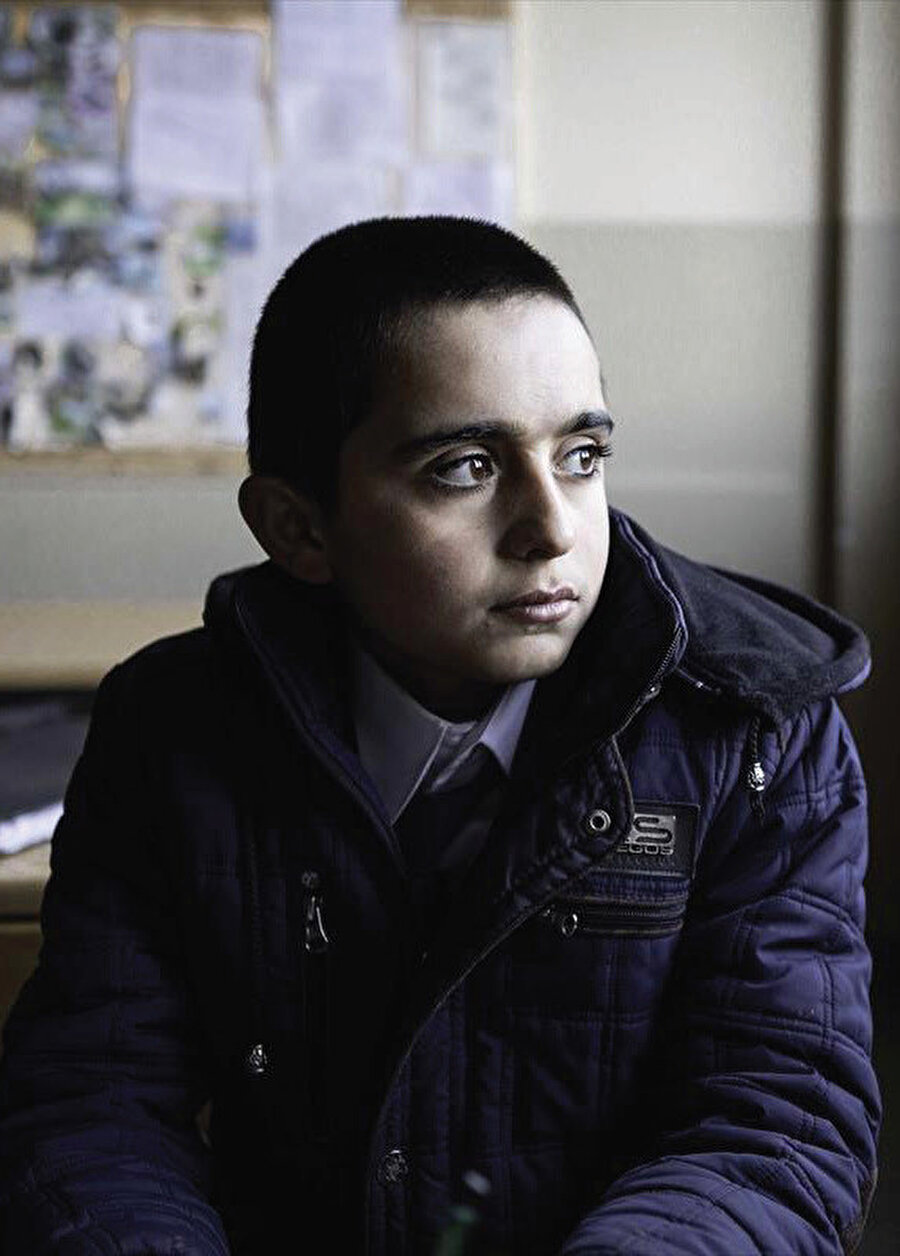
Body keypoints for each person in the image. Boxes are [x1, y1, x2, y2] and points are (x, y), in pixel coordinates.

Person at [0, 217, 880, 1254]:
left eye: (582, 455)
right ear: (299, 528)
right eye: (466, 468)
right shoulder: (172, 728)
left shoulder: (757, 732)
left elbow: (774, 1123)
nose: (553, 528)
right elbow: (94, 1102)